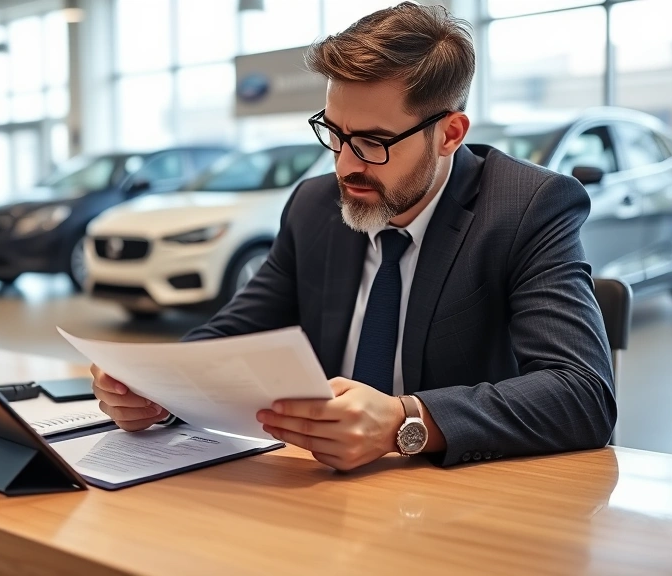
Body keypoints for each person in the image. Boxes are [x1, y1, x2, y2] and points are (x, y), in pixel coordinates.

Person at [90, 2, 616, 470]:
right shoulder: (314, 206)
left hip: (458, 503)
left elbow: (583, 394)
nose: (344, 166)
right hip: (319, 494)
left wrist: (405, 422)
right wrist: (159, 390)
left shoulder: (526, 207)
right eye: (335, 134)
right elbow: (235, 334)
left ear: (450, 134)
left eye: (372, 142)